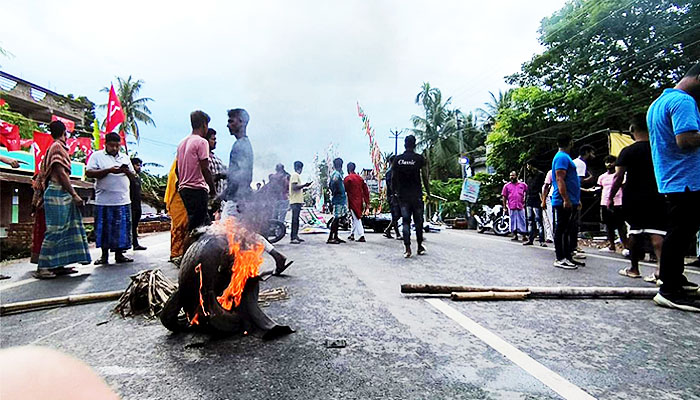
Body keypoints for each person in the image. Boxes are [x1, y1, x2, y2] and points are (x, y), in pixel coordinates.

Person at [647, 62, 700, 311]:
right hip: (687, 179)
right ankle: (669, 289)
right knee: (680, 233)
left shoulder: (658, 103)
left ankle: (674, 280)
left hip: (672, 178)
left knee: (680, 232)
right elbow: (686, 140)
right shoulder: (684, 102)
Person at [223, 108, 292, 275]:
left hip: (237, 199)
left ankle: (238, 271)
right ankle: (275, 256)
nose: (228, 124)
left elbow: (244, 174)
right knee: (241, 233)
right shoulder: (242, 144)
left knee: (226, 232)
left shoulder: (241, 145)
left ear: (241, 121)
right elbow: (238, 173)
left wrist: (235, 196)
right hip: (238, 197)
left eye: (231, 120)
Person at [609, 115, 665, 281]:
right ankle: (661, 270)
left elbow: (618, 177)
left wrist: (611, 197)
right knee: (657, 232)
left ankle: (634, 268)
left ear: (632, 130)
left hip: (633, 195)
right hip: (657, 193)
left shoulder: (628, 151)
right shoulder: (658, 149)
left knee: (634, 231)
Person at [33, 121, 91, 278]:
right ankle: (43, 267)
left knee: (67, 228)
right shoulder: (57, 147)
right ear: (64, 133)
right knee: (55, 229)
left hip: (62, 192)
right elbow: (61, 173)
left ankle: (58, 264)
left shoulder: (57, 147)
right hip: (57, 192)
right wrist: (74, 194)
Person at [86, 132, 136, 265]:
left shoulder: (125, 157)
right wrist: (108, 170)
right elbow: (89, 172)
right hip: (104, 201)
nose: (114, 148)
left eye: (117, 146)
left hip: (122, 200)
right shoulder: (97, 156)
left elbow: (134, 177)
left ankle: (120, 255)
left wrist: (126, 171)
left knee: (121, 230)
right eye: (111, 146)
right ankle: (104, 256)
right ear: (105, 144)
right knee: (104, 229)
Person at [176, 111, 216, 236]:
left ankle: (197, 254)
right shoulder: (202, 142)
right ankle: (190, 254)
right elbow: (205, 168)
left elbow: (177, 169)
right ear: (204, 125)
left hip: (184, 189)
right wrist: (213, 191)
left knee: (202, 225)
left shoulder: (182, 143)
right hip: (197, 190)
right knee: (197, 230)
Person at [392, 135, 429, 258]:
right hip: (416, 195)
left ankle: (407, 249)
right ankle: (419, 247)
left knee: (406, 222)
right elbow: (425, 176)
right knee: (418, 222)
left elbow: (393, 178)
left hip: (403, 197)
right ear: (414, 144)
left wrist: (394, 193)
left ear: (404, 144)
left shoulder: (398, 160)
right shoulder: (419, 159)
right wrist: (428, 191)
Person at [551, 133, 583, 269]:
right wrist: (566, 199)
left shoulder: (565, 157)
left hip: (572, 199)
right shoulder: (561, 158)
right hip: (563, 200)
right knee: (562, 230)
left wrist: (576, 199)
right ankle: (561, 258)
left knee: (569, 229)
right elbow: (559, 179)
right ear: (571, 142)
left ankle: (568, 256)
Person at [596, 155, 629, 254]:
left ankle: (626, 246)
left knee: (620, 225)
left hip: (618, 203)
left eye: (611, 162)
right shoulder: (602, 177)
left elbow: (623, 187)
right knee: (608, 225)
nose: (609, 164)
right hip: (605, 203)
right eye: (607, 162)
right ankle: (612, 246)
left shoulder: (621, 175)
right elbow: (600, 188)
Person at [165, 159, 188, 266]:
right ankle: (175, 254)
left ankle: (182, 253)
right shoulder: (180, 162)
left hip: (183, 198)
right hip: (177, 198)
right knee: (179, 227)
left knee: (185, 227)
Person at [344, 162, 370, 242]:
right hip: (360, 201)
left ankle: (361, 235)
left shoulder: (348, 179)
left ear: (348, 169)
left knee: (356, 218)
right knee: (354, 217)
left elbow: (344, 190)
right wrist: (367, 203)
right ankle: (352, 234)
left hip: (352, 201)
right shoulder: (360, 178)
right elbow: (366, 191)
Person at [524, 161, 546, 246]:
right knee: (530, 219)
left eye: (528, 165)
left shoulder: (540, 175)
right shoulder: (529, 176)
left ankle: (541, 240)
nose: (527, 167)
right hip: (529, 199)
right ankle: (530, 239)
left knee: (538, 220)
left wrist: (543, 199)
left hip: (537, 198)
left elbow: (543, 187)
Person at [502, 171, 528, 242]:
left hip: (521, 206)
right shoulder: (507, 186)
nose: (511, 177)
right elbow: (504, 197)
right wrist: (504, 207)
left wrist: (525, 202)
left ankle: (524, 235)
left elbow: (527, 193)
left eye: (513, 175)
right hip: (511, 206)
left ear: (516, 176)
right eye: (510, 176)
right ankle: (515, 235)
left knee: (522, 220)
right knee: (513, 221)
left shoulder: (523, 185)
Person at [289, 161, 311, 244]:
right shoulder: (295, 175)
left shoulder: (295, 175)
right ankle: (293, 237)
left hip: (296, 201)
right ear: (300, 168)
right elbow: (294, 187)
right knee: (295, 219)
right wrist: (304, 185)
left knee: (296, 219)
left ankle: (295, 235)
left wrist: (304, 188)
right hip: (295, 201)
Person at [327, 157, 347, 244]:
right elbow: (334, 182)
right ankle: (331, 237)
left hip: (340, 199)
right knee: (336, 219)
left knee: (338, 218)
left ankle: (335, 236)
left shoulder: (338, 173)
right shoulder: (336, 174)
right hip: (338, 199)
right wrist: (336, 191)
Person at [129, 157, 147, 251]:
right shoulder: (128, 178)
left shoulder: (137, 178)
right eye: (137, 165)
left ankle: (135, 244)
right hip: (130, 204)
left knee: (135, 225)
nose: (139, 167)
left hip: (137, 204)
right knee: (129, 226)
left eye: (140, 165)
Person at [383, 155, 402, 240]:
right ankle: (396, 233)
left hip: (395, 195)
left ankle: (388, 230)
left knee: (397, 214)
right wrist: (395, 193)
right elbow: (391, 184)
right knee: (396, 214)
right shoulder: (390, 172)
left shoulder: (394, 171)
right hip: (392, 196)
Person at [206, 128, 227, 198]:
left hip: (219, 200)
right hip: (208, 198)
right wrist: (219, 176)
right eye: (213, 139)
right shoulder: (203, 159)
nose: (215, 142)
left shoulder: (217, 159)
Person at [541, 169, 555, 243]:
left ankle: (553, 235)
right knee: (549, 219)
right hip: (551, 197)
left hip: (558, 197)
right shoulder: (551, 172)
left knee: (554, 219)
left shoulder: (567, 171)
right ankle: (550, 236)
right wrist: (543, 201)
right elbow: (545, 187)